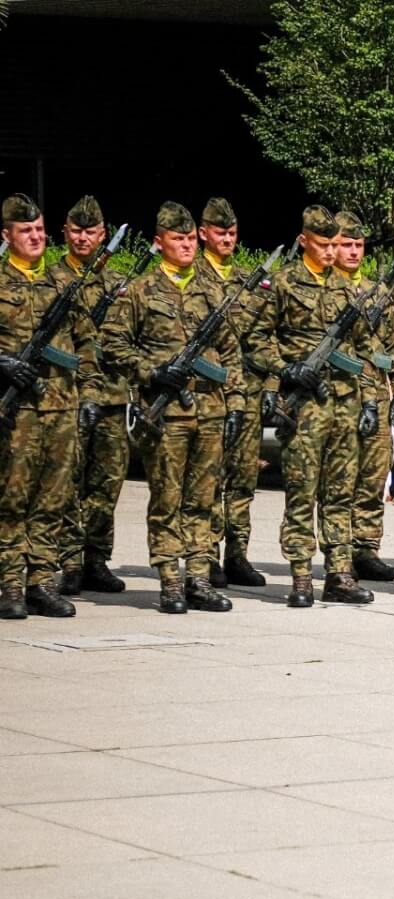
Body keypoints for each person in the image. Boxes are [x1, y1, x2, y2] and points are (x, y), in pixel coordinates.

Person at [99, 200, 248, 615]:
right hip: (165, 415)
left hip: (211, 410)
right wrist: (151, 373)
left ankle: (199, 577)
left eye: (188, 239)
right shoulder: (141, 292)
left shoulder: (212, 292)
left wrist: (235, 403)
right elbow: (112, 345)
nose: (185, 246)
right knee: (167, 499)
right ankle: (169, 578)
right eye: (176, 239)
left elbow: (232, 353)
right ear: (158, 242)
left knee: (203, 499)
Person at [246, 204, 372, 607]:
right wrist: (286, 370)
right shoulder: (282, 284)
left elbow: (366, 348)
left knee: (340, 493)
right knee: (302, 492)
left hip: (345, 402)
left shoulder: (349, 289)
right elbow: (256, 340)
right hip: (304, 406)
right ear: (304, 241)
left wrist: (370, 399)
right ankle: (301, 574)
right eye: (324, 244)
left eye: (336, 244)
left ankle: (339, 573)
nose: (332, 252)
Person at [0, 193, 93, 620]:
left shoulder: (62, 283)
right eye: (26, 231)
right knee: (12, 499)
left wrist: (88, 396)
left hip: (61, 408)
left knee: (53, 499)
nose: (35, 237)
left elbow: (87, 345)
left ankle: (41, 579)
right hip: (15, 412)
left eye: (39, 229)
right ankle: (10, 584)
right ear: (7, 236)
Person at [48, 196, 128, 596]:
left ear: (103, 235)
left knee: (107, 482)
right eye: (76, 230)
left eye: (90, 231)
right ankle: (68, 560)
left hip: (112, 397)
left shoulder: (117, 286)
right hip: (67, 395)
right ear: (65, 232)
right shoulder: (50, 279)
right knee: (68, 482)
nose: (83, 237)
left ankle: (97, 558)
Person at [197, 197, 268, 588]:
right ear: (203, 233)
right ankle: (207, 554)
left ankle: (237, 553)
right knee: (210, 477)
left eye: (232, 232)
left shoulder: (247, 281)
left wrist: (270, 386)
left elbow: (262, 339)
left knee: (243, 478)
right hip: (210, 392)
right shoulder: (194, 280)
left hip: (249, 393)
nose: (227, 238)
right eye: (220, 232)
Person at [332, 210, 394, 586]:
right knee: (339, 481)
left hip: (376, 394)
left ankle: (366, 548)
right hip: (339, 397)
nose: (354, 251)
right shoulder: (326, 290)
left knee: (374, 476)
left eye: (358, 245)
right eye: (346, 244)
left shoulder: (379, 291)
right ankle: (338, 552)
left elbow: (393, 348)